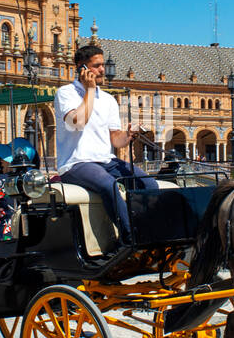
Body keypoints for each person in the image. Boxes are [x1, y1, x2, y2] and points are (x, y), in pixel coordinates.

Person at [55, 44, 157, 244]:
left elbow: (115, 140)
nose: (103, 69)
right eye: (97, 65)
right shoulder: (65, 93)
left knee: (149, 183)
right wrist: (90, 91)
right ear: (81, 68)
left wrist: (128, 135)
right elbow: (79, 122)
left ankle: (149, 229)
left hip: (106, 160)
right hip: (76, 162)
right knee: (108, 185)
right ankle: (130, 238)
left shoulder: (109, 99)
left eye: (103, 65)